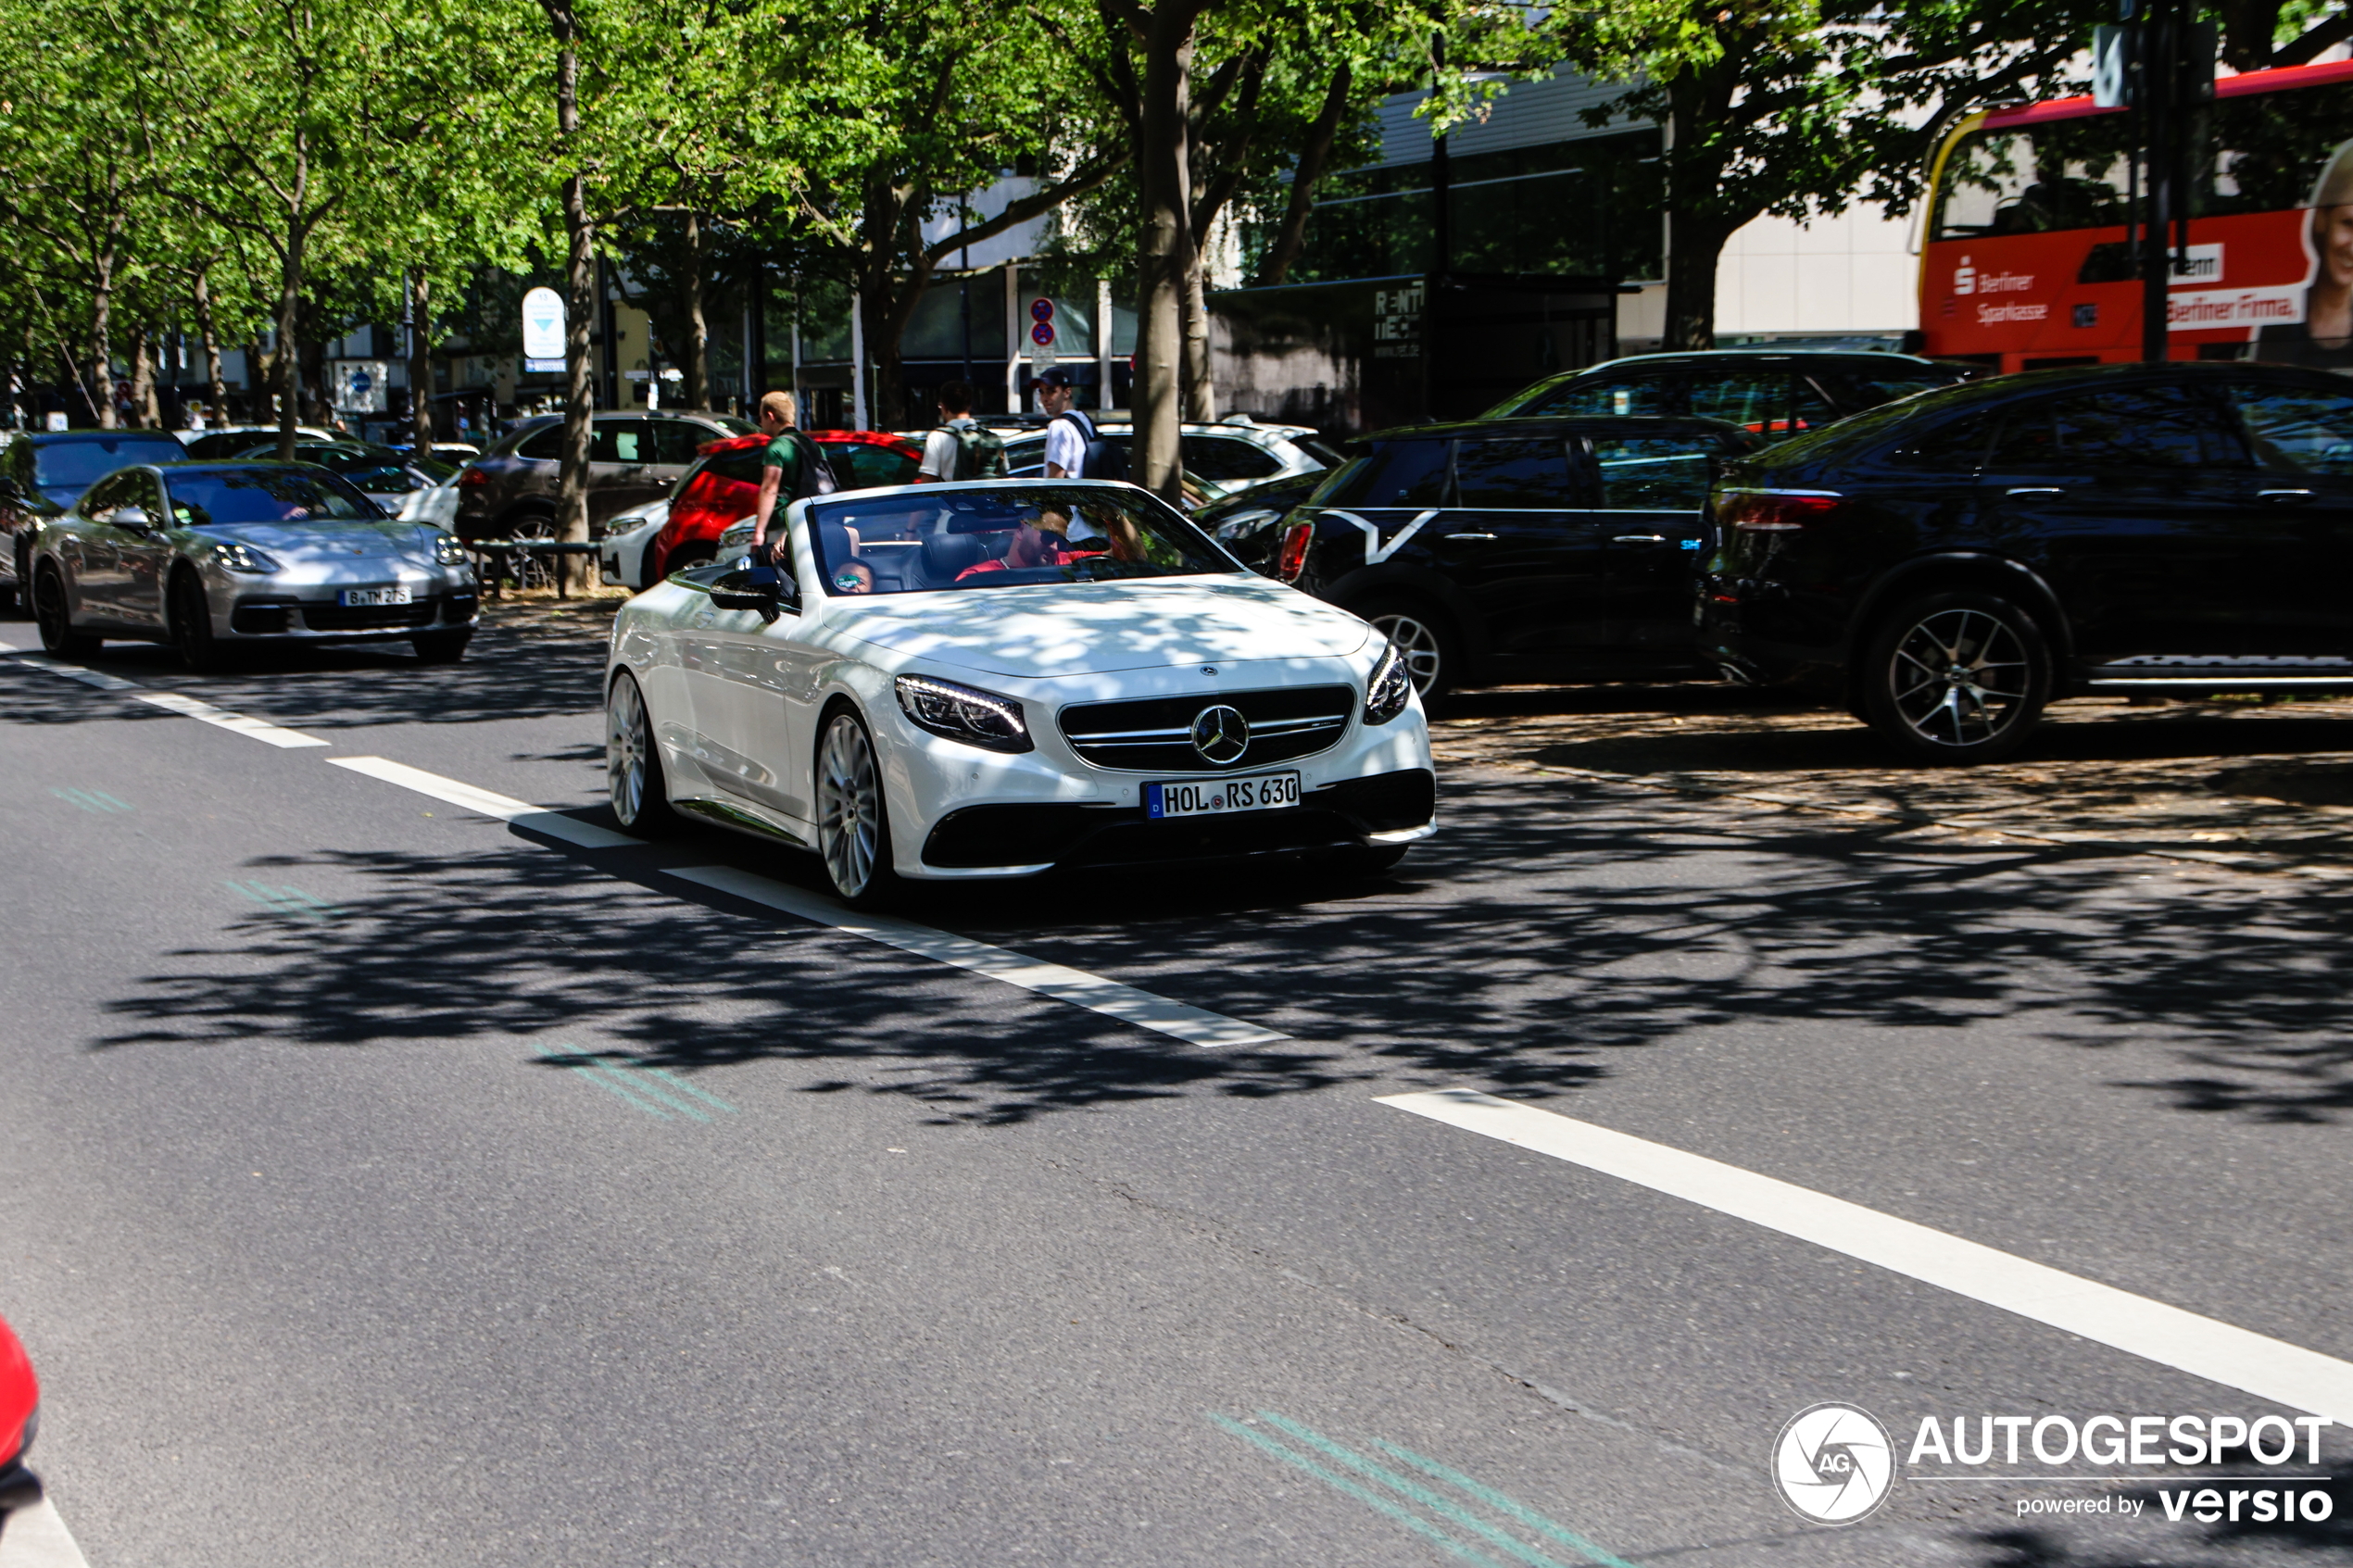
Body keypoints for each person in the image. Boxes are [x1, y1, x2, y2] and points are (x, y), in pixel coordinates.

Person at [749, 390, 837, 565]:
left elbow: (770, 488)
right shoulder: (812, 445)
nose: (760, 423)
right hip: (809, 520)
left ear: (770, 416)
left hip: (783, 522)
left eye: (760, 418)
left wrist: (759, 531)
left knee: (781, 576)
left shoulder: (777, 446)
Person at [915, 381, 1005, 483]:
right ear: (969, 406)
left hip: (953, 497)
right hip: (988, 497)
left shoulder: (937, 437)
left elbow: (929, 480)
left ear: (943, 407)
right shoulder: (990, 437)